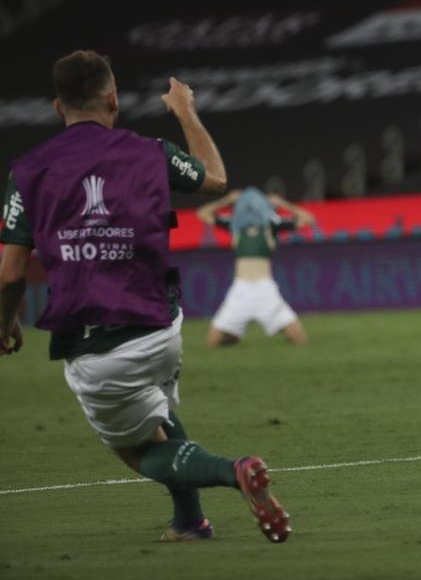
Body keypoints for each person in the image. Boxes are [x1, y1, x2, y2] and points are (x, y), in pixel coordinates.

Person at [0, 51, 291, 542]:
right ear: (113, 99)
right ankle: (189, 522)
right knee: (151, 405)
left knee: (136, 449)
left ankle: (234, 469)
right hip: (163, 325)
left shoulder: (28, 172)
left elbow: (9, 274)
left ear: (56, 107)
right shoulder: (150, 151)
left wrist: (5, 322)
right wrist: (184, 111)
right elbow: (215, 177)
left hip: (96, 344)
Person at [195, 188, 315, 347]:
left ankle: (235, 334)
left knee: (299, 339)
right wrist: (227, 200)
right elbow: (202, 213)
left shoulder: (271, 225)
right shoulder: (234, 224)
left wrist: (282, 204)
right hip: (240, 289)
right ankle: (235, 335)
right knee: (211, 343)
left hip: (264, 289)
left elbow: (308, 219)